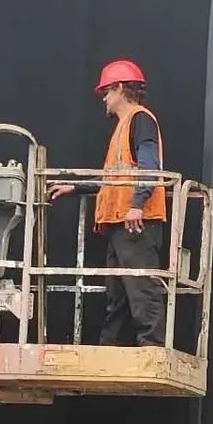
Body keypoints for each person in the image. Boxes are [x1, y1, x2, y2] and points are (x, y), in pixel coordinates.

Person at [50, 59, 167, 348]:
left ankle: (151, 347)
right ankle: (109, 346)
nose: (104, 98)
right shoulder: (124, 127)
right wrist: (76, 187)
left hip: (136, 221)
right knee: (117, 292)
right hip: (120, 221)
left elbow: (149, 167)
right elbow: (116, 177)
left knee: (141, 288)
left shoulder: (141, 119)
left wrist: (138, 204)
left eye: (106, 92)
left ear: (118, 88)